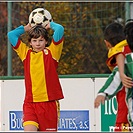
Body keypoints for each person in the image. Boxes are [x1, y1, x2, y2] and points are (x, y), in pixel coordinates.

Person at [7, 20, 64, 131]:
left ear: (46, 41)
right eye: (34, 40)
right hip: (30, 103)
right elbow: (11, 35)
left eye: (41, 40)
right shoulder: (26, 53)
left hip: (49, 104)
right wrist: (26, 28)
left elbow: (60, 29)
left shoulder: (53, 53)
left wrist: (50, 25)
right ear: (30, 42)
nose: (38, 44)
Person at [94, 22, 133, 132]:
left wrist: (102, 93)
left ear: (107, 43)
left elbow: (115, 77)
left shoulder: (118, 55)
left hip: (125, 117)